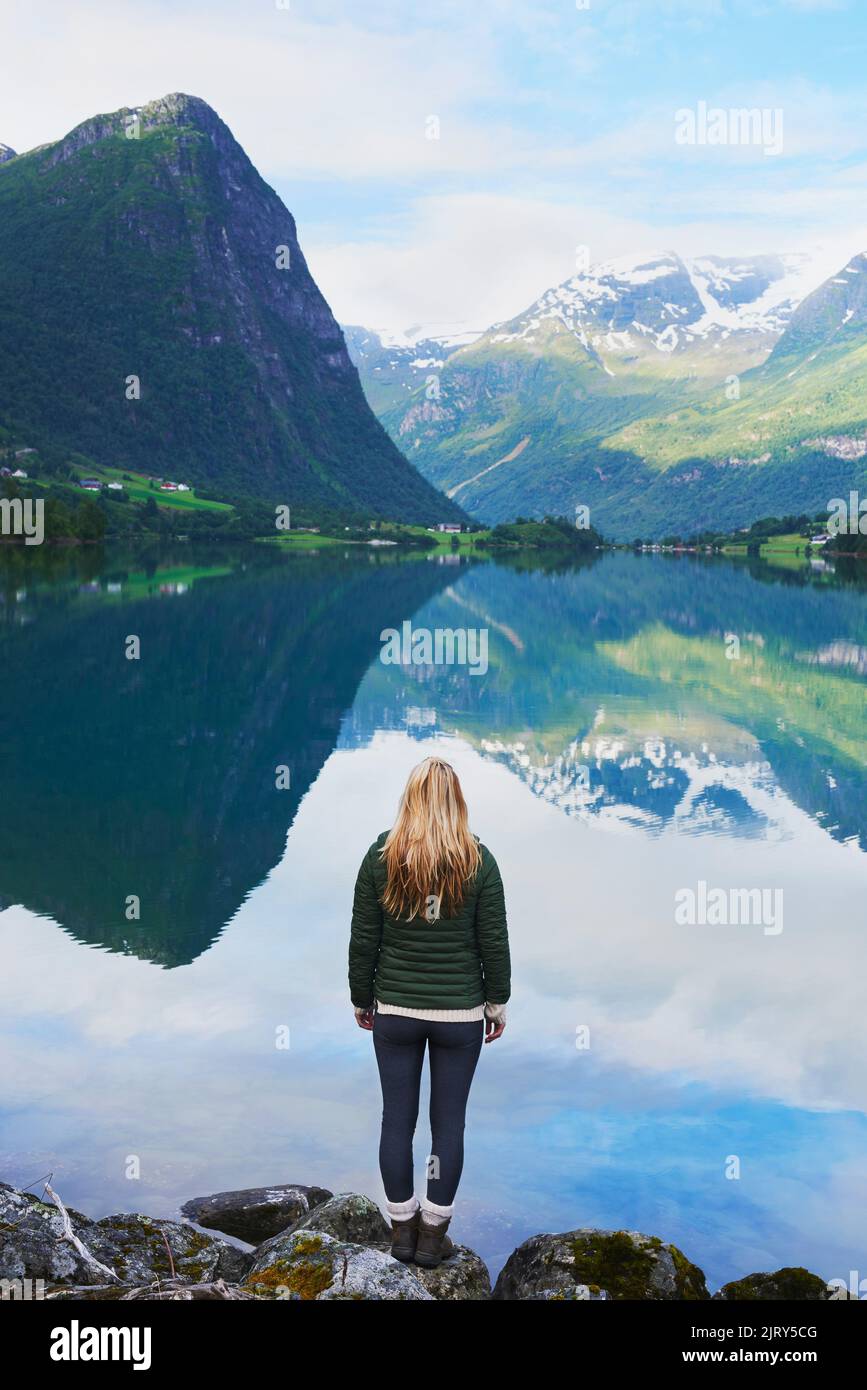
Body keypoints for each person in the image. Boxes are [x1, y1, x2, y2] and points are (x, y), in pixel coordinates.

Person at [348, 756, 511, 1268]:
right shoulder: (479, 860)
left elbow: (363, 940)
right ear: (456, 801)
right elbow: (494, 943)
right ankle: (433, 1239)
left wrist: (361, 998)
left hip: (394, 1010)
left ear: (409, 799)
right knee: (449, 1126)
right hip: (459, 1017)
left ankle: (401, 1232)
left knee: (397, 1121)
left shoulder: (381, 856)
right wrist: (497, 1003)